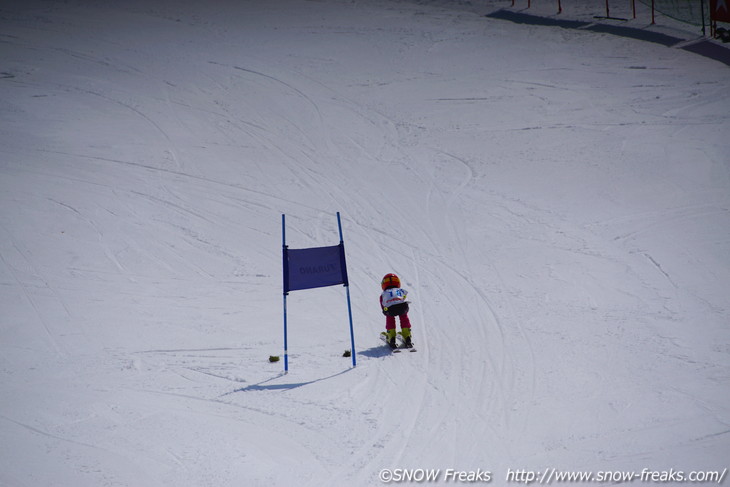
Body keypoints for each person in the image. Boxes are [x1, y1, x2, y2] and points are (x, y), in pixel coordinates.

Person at [380, 273, 413, 349]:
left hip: (390, 309)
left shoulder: (384, 294)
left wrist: (385, 311)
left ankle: (391, 336)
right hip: (403, 307)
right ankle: (407, 335)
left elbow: (383, 304)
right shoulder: (400, 290)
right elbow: (405, 298)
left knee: (390, 317)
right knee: (403, 316)